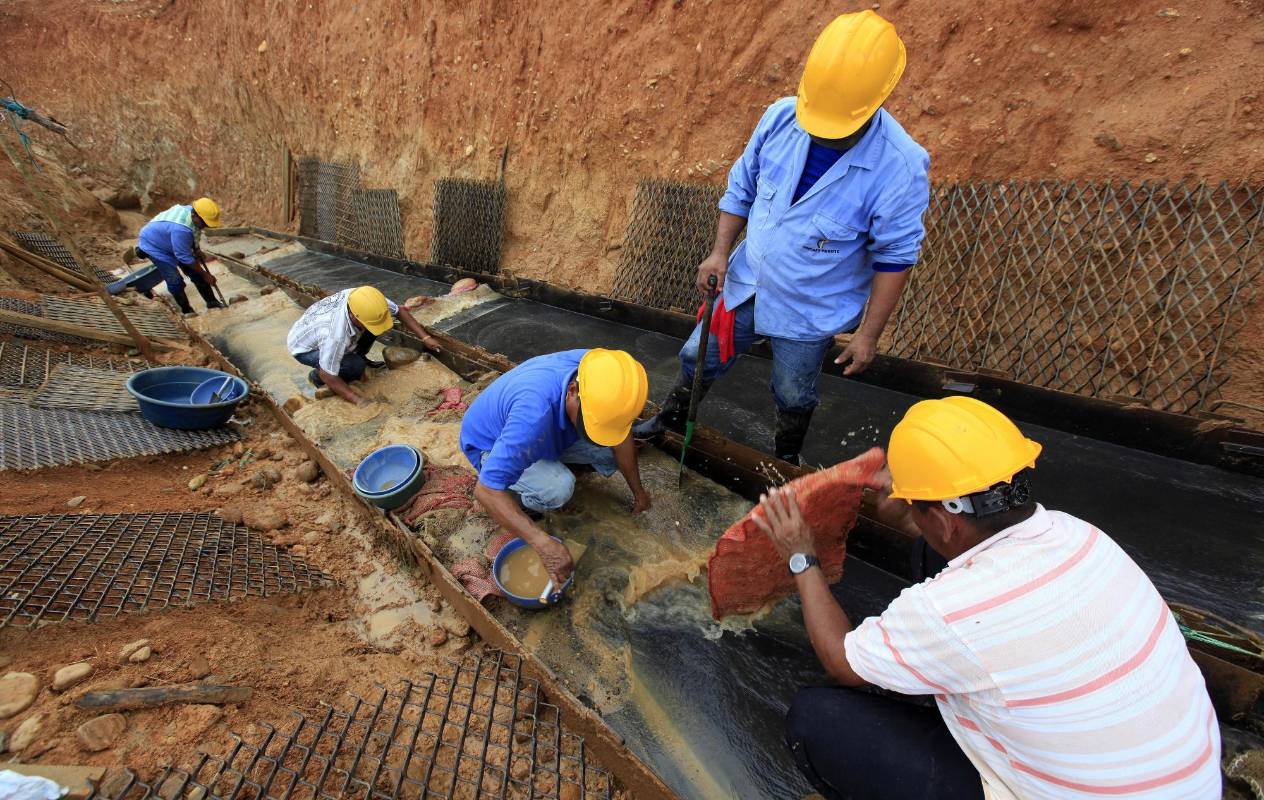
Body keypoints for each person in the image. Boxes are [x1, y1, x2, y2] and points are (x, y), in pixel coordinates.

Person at [753, 397, 1220, 799]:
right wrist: (923, 506)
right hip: (1181, 781)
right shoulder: (1082, 536)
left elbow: (842, 662)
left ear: (944, 520)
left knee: (818, 719)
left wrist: (801, 555)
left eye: (918, 505)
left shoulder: (948, 610)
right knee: (935, 560)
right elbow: (953, 533)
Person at [635, 11, 930, 465]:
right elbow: (742, 188)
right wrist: (718, 254)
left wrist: (869, 335)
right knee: (697, 357)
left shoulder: (901, 166)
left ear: (875, 102)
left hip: (809, 308)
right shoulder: (780, 118)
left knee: (793, 391)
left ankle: (783, 462)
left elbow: (894, 256)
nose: (823, 133)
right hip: (746, 283)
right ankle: (671, 422)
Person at [459, 349, 652, 585]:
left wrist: (639, 493)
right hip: (489, 442)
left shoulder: (601, 372)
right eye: (592, 424)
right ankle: (520, 498)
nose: (597, 432)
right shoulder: (531, 419)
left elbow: (621, 437)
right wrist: (542, 543)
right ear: (572, 392)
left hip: (541, 429)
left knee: (610, 451)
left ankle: (548, 465)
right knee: (557, 489)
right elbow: (485, 490)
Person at [286, 285, 442, 405]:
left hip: (320, 330)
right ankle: (317, 378)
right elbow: (328, 374)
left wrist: (425, 337)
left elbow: (399, 311)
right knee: (355, 366)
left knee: (373, 328)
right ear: (354, 316)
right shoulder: (335, 335)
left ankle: (347, 360)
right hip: (305, 348)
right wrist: (358, 400)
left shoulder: (367, 301)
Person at [136, 197, 226, 315]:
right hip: (154, 245)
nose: (205, 226)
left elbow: (194, 233)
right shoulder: (181, 230)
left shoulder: (193, 216)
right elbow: (184, 257)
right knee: (175, 280)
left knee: (197, 273)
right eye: (204, 223)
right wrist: (205, 274)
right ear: (194, 215)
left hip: (170, 239)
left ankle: (212, 303)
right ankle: (187, 311)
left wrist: (197, 249)